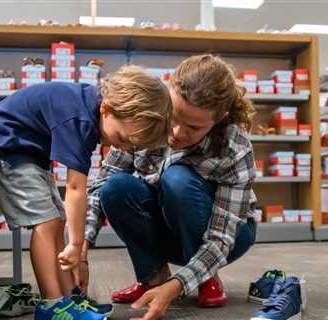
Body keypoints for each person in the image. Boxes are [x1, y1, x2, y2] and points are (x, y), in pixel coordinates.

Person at [0, 65, 172, 320]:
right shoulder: (80, 121)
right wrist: (77, 243)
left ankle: (68, 299)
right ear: (107, 109)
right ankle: (51, 306)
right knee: (46, 222)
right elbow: (74, 187)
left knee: (57, 221)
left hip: (32, 151)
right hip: (11, 143)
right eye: (122, 138)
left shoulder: (90, 112)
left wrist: (75, 247)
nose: (122, 146)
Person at [80, 54, 257, 320]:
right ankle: (153, 277)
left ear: (218, 119)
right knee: (114, 188)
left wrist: (176, 287)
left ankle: (204, 277)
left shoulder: (235, 147)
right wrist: (81, 247)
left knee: (178, 180)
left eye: (194, 127)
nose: (175, 133)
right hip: (167, 226)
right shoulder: (147, 115)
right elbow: (102, 183)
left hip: (229, 235)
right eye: (172, 117)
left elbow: (222, 238)